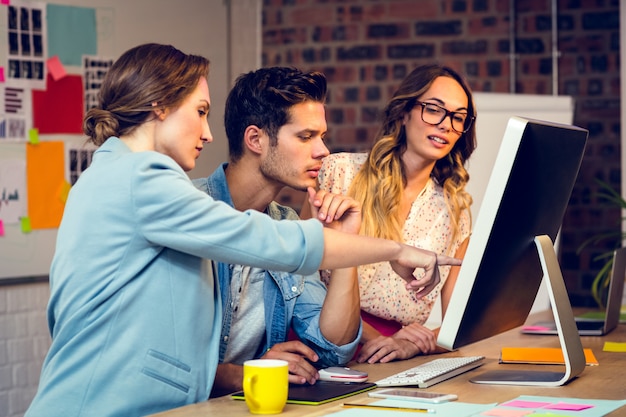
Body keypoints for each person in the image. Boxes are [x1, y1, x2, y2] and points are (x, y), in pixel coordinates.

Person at [24, 44, 460, 417]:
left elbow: (332, 348)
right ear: (159, 106)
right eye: (199, 111)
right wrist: (392, 250)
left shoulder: (121, 175)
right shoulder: (143, 177)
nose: (209, 133)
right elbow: (256, 240)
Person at [192, 67, 364, 397]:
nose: (323, 151)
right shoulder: (189, 211)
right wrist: (246, 373)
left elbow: (332, 349)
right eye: (305, 137)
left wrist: (345, 242)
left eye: (322, 137)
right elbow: (159, 356)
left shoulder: (286, 227)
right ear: (255, 139)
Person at [304, 64, 477, 364]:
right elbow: (300, 281)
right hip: (318, 342)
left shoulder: (455, 210)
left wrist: (416, 344)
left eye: (458, 117)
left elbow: (458, 327)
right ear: (404, 112)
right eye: (434, 110)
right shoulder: (339, 173)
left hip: (393, 358)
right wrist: (381, 339)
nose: (446, 124)